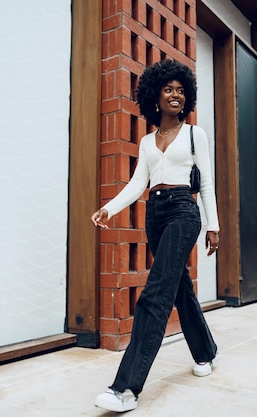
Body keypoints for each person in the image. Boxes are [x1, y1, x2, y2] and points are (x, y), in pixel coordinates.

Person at [91, 59, 220, 413]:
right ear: (155, 96)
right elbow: (137, 184)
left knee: (156, 292)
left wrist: (214, 225)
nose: (175, 95)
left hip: (183, 210)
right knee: (178, 287)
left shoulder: (196, 134)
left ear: (186, 97)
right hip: (156, 212)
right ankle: (206, 352)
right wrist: (110, 208)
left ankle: (125, 388)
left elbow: (205, 181)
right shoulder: (148, 141)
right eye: (168, 90)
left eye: (180, 90)